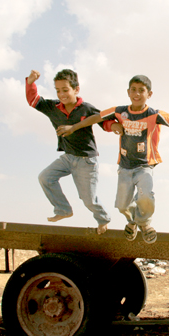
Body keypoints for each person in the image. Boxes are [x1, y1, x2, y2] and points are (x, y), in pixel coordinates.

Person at [57, 75, 169, 244]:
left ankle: (145, 223)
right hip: (125, 167)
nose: (137, 93)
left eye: (141, 90)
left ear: (149, 94)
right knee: (121, 205)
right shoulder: (120, 111)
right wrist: (73, 127)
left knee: (146, 196)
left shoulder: (154, 114)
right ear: (128, 92)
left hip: (145, 166)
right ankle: (132, 220)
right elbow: (96, 118)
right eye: (133, 90)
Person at [26, 69, 122, 234]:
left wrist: (114, 127)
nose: (61, 94)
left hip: (86, 160)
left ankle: (103, 218)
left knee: (88, 200)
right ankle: (63, 209)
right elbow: (33, 100)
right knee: (45, 177)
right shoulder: (52, 107)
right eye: (58, 90)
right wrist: (30, 83)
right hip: (68, 157)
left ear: (76, 89)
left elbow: (103, 121)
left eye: (65, 90)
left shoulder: (86, 108)